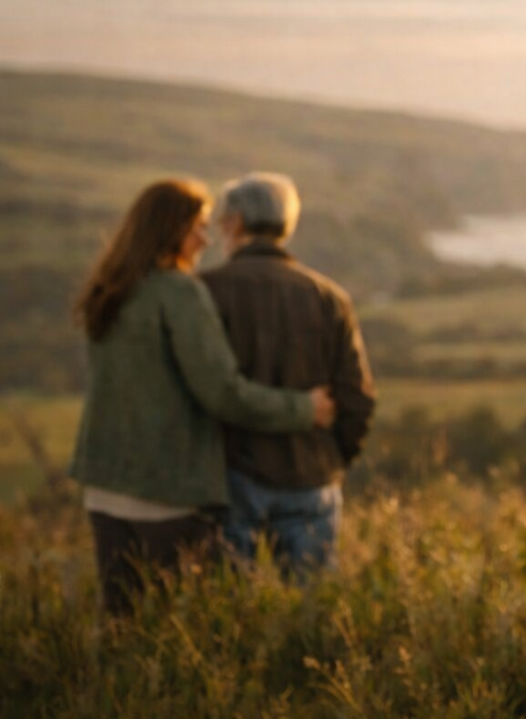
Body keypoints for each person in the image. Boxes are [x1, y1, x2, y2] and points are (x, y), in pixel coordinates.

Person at [69, 178, 335, 616]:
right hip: (166, 487)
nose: (205, 238)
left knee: (120, 620)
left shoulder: (111, 290)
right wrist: (304, 408)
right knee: (181, 627)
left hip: (104, 486)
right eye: (198, 225)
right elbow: (223, 393)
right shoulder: (179, 292)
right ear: (170, 229)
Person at [201, 172, 375, 576]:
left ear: (236, 222)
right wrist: (333, 459)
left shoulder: (206, 290)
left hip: (229, 475)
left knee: (226, 618)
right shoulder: (329, 296)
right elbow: (358, 398)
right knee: (312, 618)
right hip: (312, 476)